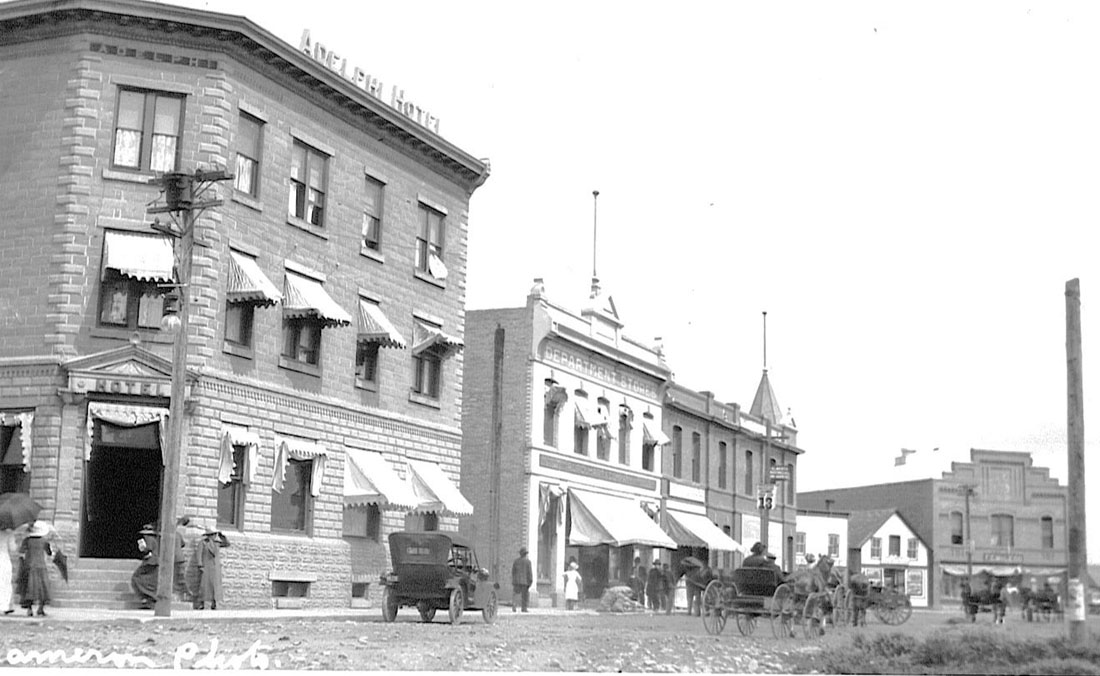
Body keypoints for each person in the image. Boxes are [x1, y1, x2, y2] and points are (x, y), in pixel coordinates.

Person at [190, 523, 230, 610]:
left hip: (215, 567)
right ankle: (202, 603)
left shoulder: (217, 543)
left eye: (214, 534)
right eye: (212, 535)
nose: (213, 536)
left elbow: (227, 544)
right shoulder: (203, 543)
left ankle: (214, 602)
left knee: (215, 586)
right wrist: (200, 564)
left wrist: (221, 535)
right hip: (206, 566)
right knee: (205, 585)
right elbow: (199, 554)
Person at [18, 520, 54, 617]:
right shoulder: (44, 541)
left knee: (29, 588)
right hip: (41, 565)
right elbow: (50, 553)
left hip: (29, 565)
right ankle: (40, 609)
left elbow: (21, 551)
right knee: (42, 588)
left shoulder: (27, 541)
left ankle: (29, 609)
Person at [130, 523, 160, 609]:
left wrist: (143, 548)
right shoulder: (155, 539)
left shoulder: (148, 539)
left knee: (137, 577)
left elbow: (148, 549)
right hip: (155, 561)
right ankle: (149, 600)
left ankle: (147, 597)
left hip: (151, 561)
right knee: (149, 581)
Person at [511, 546, 533, 613]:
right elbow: (530, 573)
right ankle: (524, 608)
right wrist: (530, 582)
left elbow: (513, 571)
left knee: (515, 594)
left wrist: (514, 580)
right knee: (524, 596)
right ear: (525, 554)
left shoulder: (516, 561)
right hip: (525, 582)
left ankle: (514, 605)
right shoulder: (528, 562)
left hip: (516, 581)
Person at [0, 527, 15, 615]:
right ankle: (4, 606)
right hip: (4, 558)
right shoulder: (8, 533)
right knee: (5, 582)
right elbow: (13, 548)